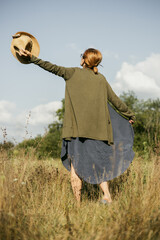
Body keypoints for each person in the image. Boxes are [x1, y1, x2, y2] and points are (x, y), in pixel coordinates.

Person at [19, 48, 135, 204]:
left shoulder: (72, 73)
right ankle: (107, 195)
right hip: (99, 133)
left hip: (77, 133)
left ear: (84, 60)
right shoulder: (101, 79)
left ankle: (78, 205)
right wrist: (129, 115)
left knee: (75, 168)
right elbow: (115, 100)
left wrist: (32, 58)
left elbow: (50, 67)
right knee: (99, 166)